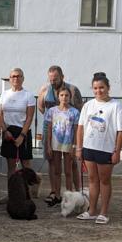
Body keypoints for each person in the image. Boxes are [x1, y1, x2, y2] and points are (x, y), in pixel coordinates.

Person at [75, 72, 122, 225]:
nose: (99, 91)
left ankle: (104, 212)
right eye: (95, 88)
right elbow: (80, 128)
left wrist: (116, 151)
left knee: (104, 181)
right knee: (92, 180)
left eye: (102, 87)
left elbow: (121, 131)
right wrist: (79, 148)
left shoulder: (116, 106)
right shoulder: (88, 105)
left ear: (108, 88)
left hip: (106, 149)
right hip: (89, 148)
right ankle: (92, 210)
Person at [37, 65, 84, 195]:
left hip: (70, 131)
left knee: (72, 163)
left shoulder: (73, 90)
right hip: (52, 129)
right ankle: (54, 191)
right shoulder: (45, 89)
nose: (53, 82)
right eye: (51, 79)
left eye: (55, 79)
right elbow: (41, 108)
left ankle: (76, 191)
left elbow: (80, 110)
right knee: (52, 161)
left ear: (62, 77)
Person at [0, 68, 35, 204]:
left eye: (18, 76)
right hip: (8, 132)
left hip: (23, 132)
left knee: (26, 166)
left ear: (23, 78)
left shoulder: (28, 95)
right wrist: (5, 130)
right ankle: (11, 195)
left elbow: (30, 117)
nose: (16, 78)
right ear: (9, 78)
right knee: (11, 167)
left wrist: (22, 136)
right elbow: (0, 114)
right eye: (13, 76)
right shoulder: (4, 94)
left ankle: (26, 195)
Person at [44, 87, 80, 206]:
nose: (64, 97)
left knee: (68, 171)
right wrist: (48, 145)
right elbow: (49, 129)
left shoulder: (74, 112)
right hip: (55, 143)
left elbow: (76, 130)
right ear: (58, 97)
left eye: (66, 95)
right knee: (57, 171)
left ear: (70, 97)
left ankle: (69, 196)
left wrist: (74, 146)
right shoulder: (52, 111)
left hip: (68, 143)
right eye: (62, 95)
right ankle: (57, 195)